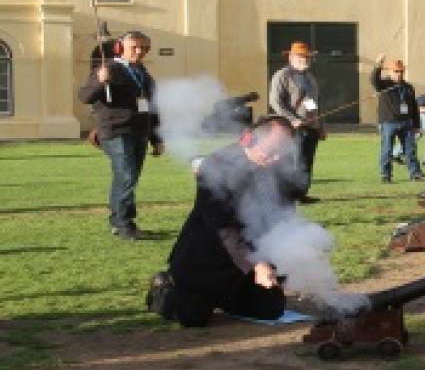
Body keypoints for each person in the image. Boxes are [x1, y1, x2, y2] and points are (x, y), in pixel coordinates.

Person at [146, 117, 302, 327]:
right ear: (250, 139)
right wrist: (258, 264)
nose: (276, 159)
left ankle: (227, 298)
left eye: (282, 152)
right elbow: (224, 228)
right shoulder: (215, 165)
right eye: (272, 151)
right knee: (193, 316)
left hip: (244, 263)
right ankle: (162, 289)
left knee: (271, 308)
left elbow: (283, 208)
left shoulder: (274, 166)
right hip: (205, 260)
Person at [77, 30, 164, 241]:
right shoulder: (108, 69)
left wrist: (157, 138)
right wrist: (100, 81)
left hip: (140, 132)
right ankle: (123, 224)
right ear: (120, 48)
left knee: (129, 178)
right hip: (116, 131)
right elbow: (84, 96)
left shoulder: (145, 75)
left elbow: (152, 109)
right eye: (134, 47)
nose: (139, 51)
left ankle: (122, 221)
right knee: (126, 176)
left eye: (144, 48)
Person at [268, 41, 323, 204]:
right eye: (302, 56)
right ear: (291, 57)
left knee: (306, 163)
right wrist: (293, 120)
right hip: (291, 129)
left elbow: (314, 103)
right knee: (292, 163)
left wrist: (320, 126)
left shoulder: (310, 77)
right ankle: (287, 196)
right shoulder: (282, 75)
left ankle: (301, 194)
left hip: (310, 127)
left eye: (307, 57)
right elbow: (275, 102)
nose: (305, 59)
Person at [371, 54, 425, 183]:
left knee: (410, 150)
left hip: (406, 123)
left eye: (401, 71)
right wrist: (378, 65)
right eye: (396, 71)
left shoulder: (408, 87)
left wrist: (417, 125)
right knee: (387, 149)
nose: (399, 74)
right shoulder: (384, 84)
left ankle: (415, 173)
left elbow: (414, 107)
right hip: (388, 122)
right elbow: (374, 80)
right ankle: (386, 175)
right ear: (390, 72)